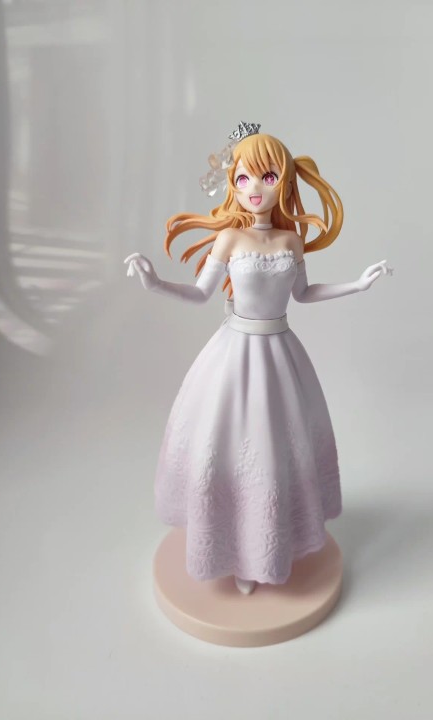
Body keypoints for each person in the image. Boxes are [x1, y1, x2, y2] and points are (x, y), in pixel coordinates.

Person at [125, 124, 391, 595]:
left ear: (283, 182)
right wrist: (155, 283)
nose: (254, 189)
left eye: (267, 178)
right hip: (233, 354)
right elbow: (200, 293)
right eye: (243, 178)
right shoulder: (229, 240)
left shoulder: (290, 242)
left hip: (280, 355)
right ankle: (236, 550)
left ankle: (265, 542)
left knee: (274, 447)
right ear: (233, 183)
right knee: (231, 444)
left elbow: (304, 294)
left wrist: (357, 284)